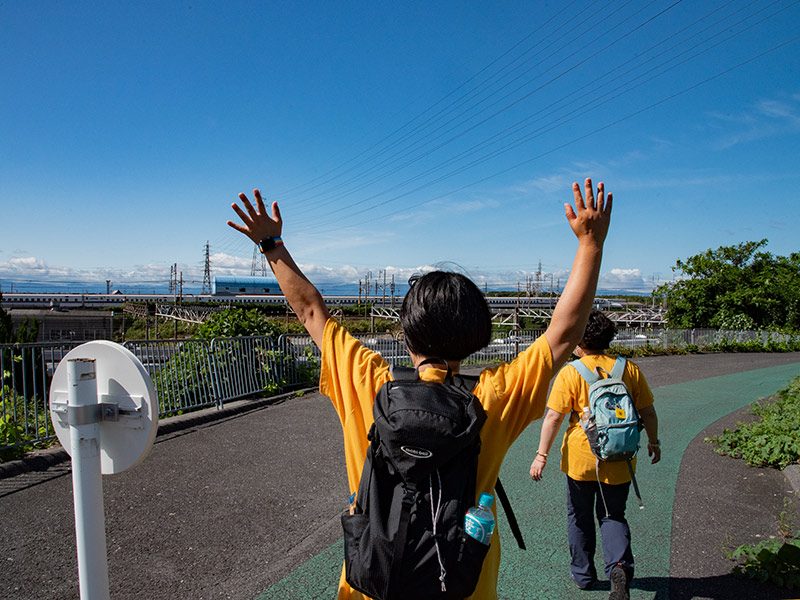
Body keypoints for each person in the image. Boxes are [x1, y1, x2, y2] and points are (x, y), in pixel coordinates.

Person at [227, 178, 612, 600]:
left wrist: (271, 242)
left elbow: (310, 309)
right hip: (463, 587)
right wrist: (589, 244)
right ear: (474, 337)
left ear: (407, 335)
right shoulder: (492, 397)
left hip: (369, 588)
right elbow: (561, 335)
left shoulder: (367, 380)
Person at [529, 310, 661, 600]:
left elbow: (553, 417)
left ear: (579, 340)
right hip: (619, 456)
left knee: (579, 517)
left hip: (581, 459)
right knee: (613, 515)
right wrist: (653, 442)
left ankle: (583, 575)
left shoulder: (571, 372)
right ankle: (619, 566)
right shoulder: (629, 369)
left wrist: (542, 454)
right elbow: (647, 411)